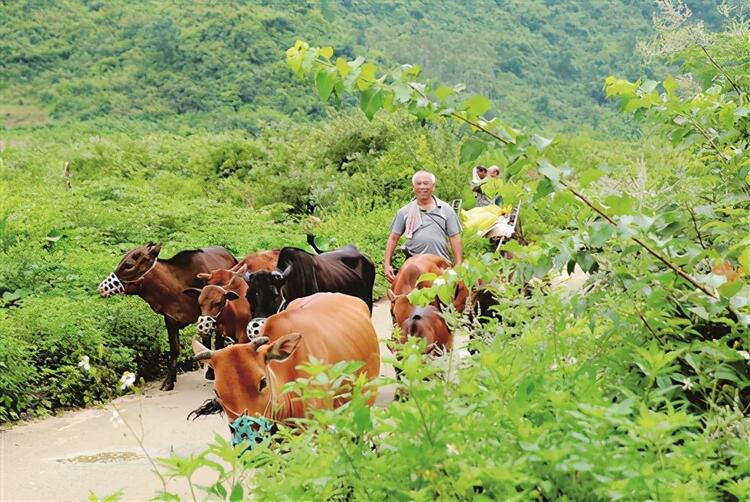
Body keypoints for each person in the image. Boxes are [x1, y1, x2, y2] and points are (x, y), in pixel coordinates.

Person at [384, 170, 463, 283]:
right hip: (413, 263)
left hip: (440, 263)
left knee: (449, 296)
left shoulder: (446, 210)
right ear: (413, 187)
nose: (422, 187)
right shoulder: (404, 212)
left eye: (426, 183)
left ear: (433, 187)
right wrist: (387, 265)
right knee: (404, 294)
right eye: (419, 183)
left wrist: (458, 264)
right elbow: (393, 238)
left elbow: (455, 238)